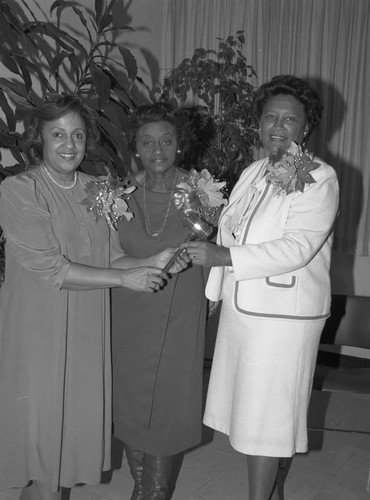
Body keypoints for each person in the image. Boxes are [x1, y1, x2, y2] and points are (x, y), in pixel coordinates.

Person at [0, 94, 188, 500]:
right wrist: (125, 281)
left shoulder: (97, 189)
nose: (69, 145)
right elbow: (53, 268)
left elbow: (113, 254)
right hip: (38, 331)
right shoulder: (19, 190)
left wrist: (151, 261)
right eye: (58, 134)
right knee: (42, 442)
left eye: (78, 134)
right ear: (40, 140)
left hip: (85, 326)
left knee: (65, 446)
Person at [180, 75, 340, 500]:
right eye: (271, 116)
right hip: (244, 312)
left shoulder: (320, 177)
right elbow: (229, 235)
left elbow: (298, 247)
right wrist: (212, 294)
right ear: (259, 122)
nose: (278, 127)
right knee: (252, 417)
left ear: (306, 128)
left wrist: (224, 260)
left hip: (283, 320)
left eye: (290, 119)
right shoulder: (253, 171)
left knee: (267, 422)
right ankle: (271, 493)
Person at [111, 102, 209, 500]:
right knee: (132, 404)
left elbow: (217, 246)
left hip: (179, 314)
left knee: (167, 408)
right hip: (129, 314)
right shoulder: (116, 195)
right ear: (135, 147)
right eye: (147, 141)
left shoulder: (203, 193)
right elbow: (105, 252)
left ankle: (152, 493)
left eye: (166, 140)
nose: (157, 150)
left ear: (179, 146)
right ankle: (144, 489)